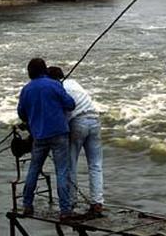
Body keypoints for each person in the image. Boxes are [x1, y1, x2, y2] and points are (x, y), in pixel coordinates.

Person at [17, 58, 76, 219]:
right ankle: (65, 210)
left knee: (34, 170)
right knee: (62, 171)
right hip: (59, 133)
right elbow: (70, 104)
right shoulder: (54, 84)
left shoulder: (26, 90)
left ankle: (27, 205)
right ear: (45, 70)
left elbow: (21, 113)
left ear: (30, 73)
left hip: (39, 136)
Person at [47, 66, 104, 216]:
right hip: (95, 120)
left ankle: (71, 201)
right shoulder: (74, 83)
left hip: (78, 123)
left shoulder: (57, 89)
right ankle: (97, 202)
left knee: (70, 164)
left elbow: (61, 114)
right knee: (95, 165)